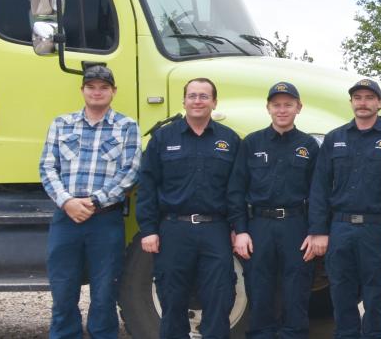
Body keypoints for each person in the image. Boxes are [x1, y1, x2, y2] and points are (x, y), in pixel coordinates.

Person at [40, 65, 140, 339]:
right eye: (91, 87)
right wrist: (67, 202)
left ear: (113, 91)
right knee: (63, 291)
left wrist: (94, 201)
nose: (97, 92)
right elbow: (48, 168)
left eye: (104, 87)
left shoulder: (127, 127)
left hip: (105, 220)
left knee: (105, 293)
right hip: (66, 218)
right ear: (82, 90)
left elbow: (130, 172)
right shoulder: (61, 124)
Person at [136, 78, 240, 339]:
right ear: (183, 101)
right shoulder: (163, 138)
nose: (197, 101)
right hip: (174, 228)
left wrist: (239, 228)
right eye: (192, 96)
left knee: (220, 295)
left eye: (204, 96)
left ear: (214, 102)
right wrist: (148, 229)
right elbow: (147, 186)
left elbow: (236, 191)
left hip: (215, 229)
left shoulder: (229, 140)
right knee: (172, 298)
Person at [308, 79, 381, 339]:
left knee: (374, 294)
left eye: (369, 98)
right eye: (358, 98)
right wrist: (319, 230)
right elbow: (319, 188)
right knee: (341, 292)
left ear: (379, 103)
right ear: (351, 102)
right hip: (339, 227)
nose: (363, 103)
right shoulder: (334, 138)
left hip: (376, 228)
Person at [226, 82, 321, 339]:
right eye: (276, 105)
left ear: (298, 108)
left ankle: (294, 334)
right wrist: (240, 230)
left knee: (297, 287)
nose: (282, 110)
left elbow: (318, 193)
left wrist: (316, 231)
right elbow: (236, 189)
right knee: (259, 286)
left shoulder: (309, 146)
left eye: (288, 105)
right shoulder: (251, 143)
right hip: (259, 225)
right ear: (268, 108)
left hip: (296, 225)